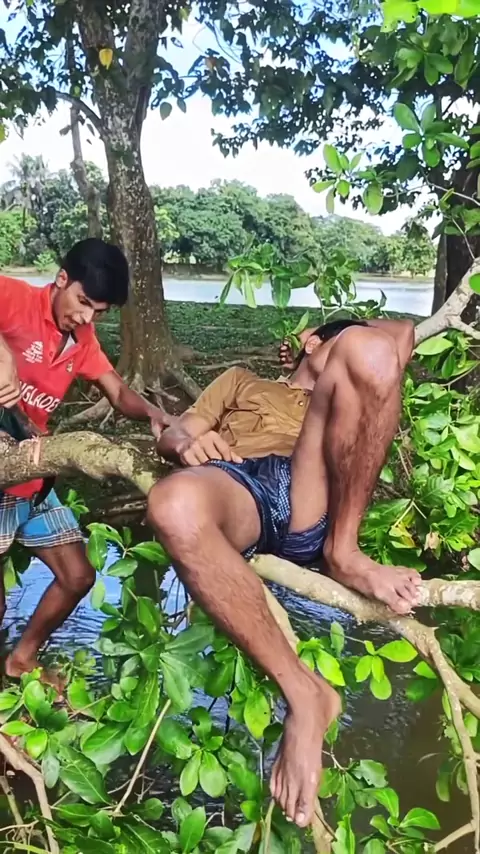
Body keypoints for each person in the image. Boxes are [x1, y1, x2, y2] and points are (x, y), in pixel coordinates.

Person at [147, 315, 421, 829]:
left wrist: (342, 340)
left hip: (305, 484)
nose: (353, 346)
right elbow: (180, 430)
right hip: (238, 484)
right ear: (311, 344)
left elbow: (401, 332)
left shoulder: (345, 386)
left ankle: (344, 551)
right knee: (172, 505)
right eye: (336, 341)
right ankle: (304, 691)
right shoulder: (242, 381)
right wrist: (183, 444)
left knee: (372, 352)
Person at [0, 238, 169, 684]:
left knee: (77, 575)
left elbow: (117, 392)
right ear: (61, 279)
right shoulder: (15, 298)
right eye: (82, 302)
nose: (86, 318)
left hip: (36, 473)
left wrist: (155, 414)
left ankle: (20, 660)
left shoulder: (82, 338)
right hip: (2, 467)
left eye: (99, 311)